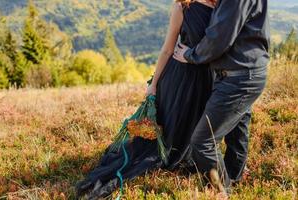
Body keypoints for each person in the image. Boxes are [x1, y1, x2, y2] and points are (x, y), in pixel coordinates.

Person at [76, 0, 216, 199]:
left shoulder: (222, 7)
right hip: (180, 77)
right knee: (172, 127)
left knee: (195, 126)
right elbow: (168, 49)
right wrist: (153, 84)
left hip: (205, 79)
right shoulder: (182, 7)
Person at [173, 0, 270, 195]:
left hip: (239, 77)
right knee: (238, 132)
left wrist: (191, 55)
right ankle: (234, 178)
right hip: (246, 72)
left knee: (203, 141)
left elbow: (219, 37)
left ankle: (221, 192)